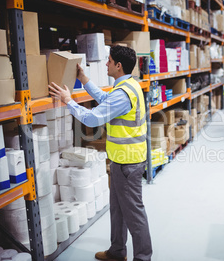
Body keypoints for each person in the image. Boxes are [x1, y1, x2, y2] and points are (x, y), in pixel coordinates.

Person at [49, 45, 152, 261]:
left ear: (118, 65)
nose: (106, 63)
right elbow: (106, 101)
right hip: (121, 161)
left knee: (134, 214)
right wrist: (85, 80)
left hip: (128, 163)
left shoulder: (123, 93)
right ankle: (117, 251)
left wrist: (69, 100)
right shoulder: (128, 86)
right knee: (117, 209)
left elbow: (93, 119)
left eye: (109, 60)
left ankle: (143, 257)